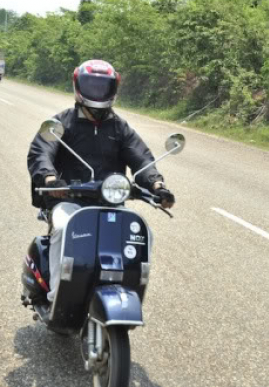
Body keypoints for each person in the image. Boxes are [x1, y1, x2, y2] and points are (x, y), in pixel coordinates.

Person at [27, 59, 175, 303]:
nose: (97, 91)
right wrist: (51, 179)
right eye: (91, 85)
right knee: (63, 229)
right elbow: (41, 152)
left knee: (142, 233)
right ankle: (56, 295)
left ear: (113, 89)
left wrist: (157, 186)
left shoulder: (119, 127)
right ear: (78, 86)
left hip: (110, 202)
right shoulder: (62, 123)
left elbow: (141, 157)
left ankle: (130, 290)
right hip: (70, 200)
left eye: (102, 86)